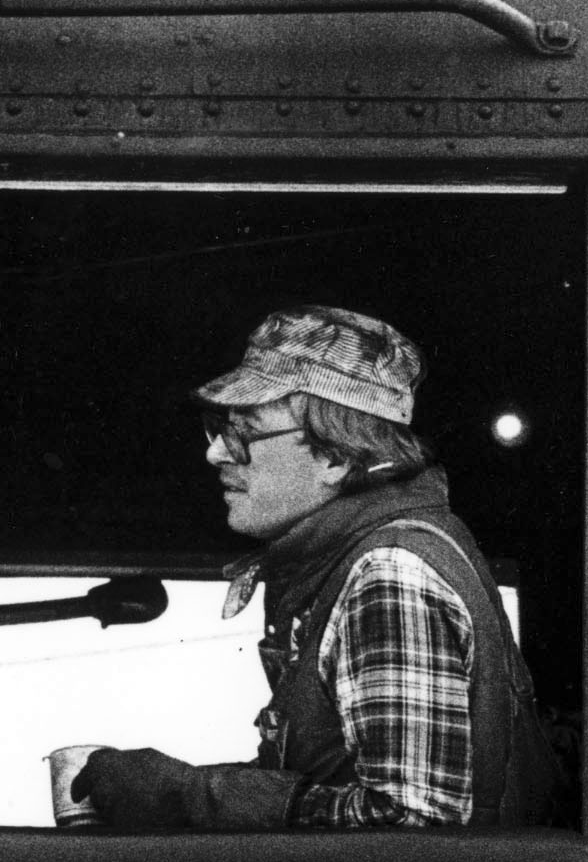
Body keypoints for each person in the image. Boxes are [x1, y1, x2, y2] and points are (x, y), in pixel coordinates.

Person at [70, 305, 556, 831]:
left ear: (336, 458)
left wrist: (186, 797)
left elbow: (413, 828)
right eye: (218, 429)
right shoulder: (355, 562)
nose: (215, 455)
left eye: (244, 433)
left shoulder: (388, 576)